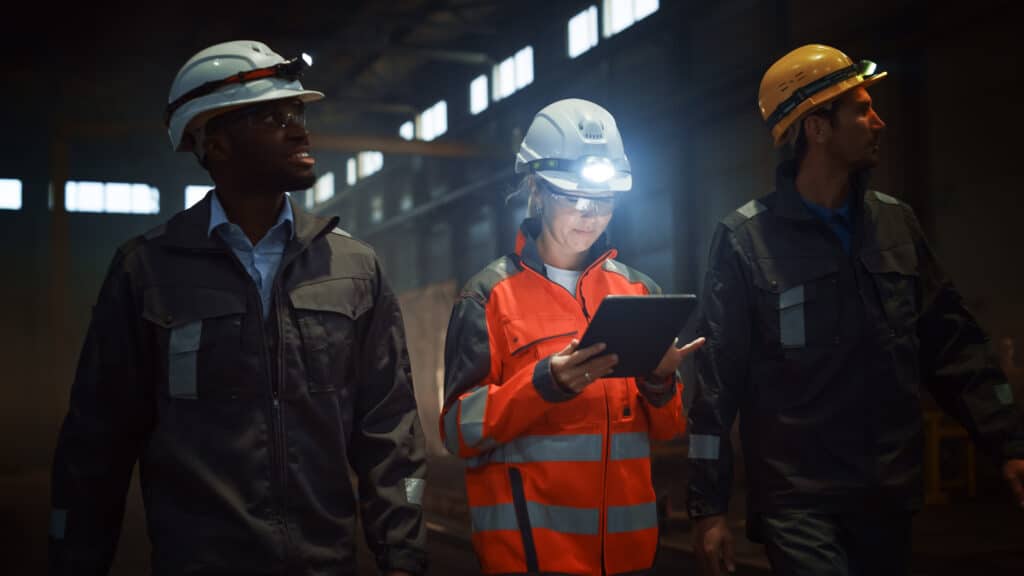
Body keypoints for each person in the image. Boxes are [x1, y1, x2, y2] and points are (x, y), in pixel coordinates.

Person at [49, 40, 427, 575]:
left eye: (297, 112)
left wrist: (404, 558)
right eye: (273, 117)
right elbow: (96, 445)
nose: (300, 129)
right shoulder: (148, 270)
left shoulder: (353, 267)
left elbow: (389, 430)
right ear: (216, 142)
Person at [686, 43, 1024, 575]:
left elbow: (953, 344)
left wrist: (1010, 442)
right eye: (862, 109)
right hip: (797, 504)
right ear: (816, 128)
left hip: (886, 496)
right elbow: (716, 383)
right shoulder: (746, 240)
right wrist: (707, 508)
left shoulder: (896, 226)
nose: (879, 121)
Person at [440, 98, 704, 574]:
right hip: (530, 555)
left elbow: (668, 430)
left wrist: (660, 383)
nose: (590, 214)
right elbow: (458, 431)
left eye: (603, 201)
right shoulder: (488, 297)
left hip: (628, 558)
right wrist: (544, 385)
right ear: (537, 192)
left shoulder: (639, 291)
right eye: (573, 198)